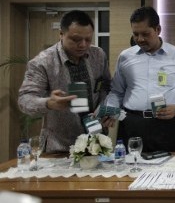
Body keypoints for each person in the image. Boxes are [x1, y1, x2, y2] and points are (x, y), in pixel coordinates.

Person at [18, 10, 112, 153]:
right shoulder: (43, 62)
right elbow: (24, 100)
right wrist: (49, 103)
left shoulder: (98, 55)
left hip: (97, 142)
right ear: (61, 34)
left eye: (88, 39)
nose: (83, 45)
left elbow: (106, 87)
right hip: (59, 146)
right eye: (76, 39)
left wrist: (105, 109)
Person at [106, 6, 175, 152]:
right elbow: (116, 92)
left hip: (167, 125)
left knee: (169, 170)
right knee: (130, 171)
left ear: (158, 29)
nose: (140, 39)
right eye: (135, 34)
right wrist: (110, 109)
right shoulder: (125, 57)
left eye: (145, 34)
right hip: (132, 124)